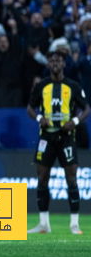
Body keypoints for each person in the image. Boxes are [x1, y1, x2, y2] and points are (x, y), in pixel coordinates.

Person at [27, 51, 90, 235]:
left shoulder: (73, 86)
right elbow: (30, 108)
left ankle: (74, 224)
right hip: (46, 136)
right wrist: (40, 117)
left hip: (66, 137)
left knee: (71, 178)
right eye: (52, 60)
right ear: (48, 64)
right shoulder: (41, 86)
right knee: (42, 178)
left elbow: (86, 109)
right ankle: (44, 224)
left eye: (59, 60)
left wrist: (75, 122)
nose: (55, 63)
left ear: (64, 64)